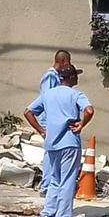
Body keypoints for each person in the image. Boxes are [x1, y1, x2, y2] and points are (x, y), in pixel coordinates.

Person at [24, 62, 94, 217]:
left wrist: (41, 130)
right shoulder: (76, 94)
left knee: (54, 180)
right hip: (69, 142)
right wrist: (81, 124)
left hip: (51, 143)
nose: (77, 77)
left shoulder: (48, 94)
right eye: (76, 75)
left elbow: (28, 112)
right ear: (71, 78)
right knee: (67, 181)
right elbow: (89, 110)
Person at [35, 50, 71, 196]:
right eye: (68, 62)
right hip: (49, 121)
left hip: (54, 120)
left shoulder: (56, 76)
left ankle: (52, 184)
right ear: (62, 62)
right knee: (50, 153)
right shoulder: (50, 76)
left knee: (55, 151)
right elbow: (47, 98)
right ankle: (47, 185)